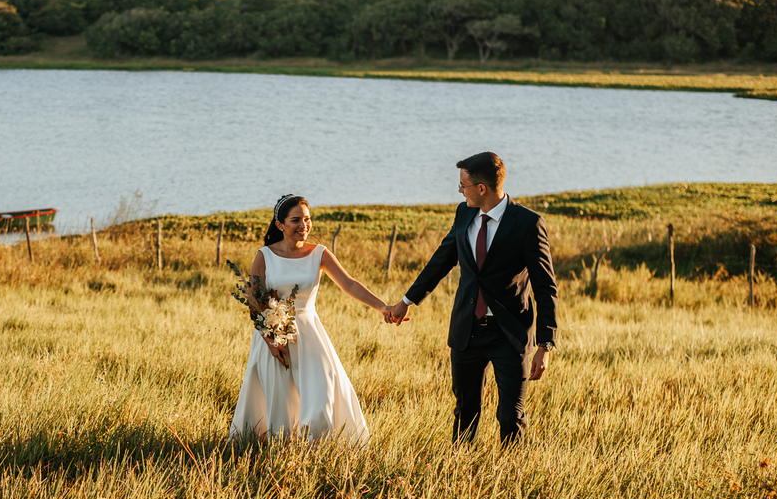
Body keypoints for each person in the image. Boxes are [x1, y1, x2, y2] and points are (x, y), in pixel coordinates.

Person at [387, 152, 558, 444]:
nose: (459, 190)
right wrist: (406, 301)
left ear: (482, 188)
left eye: (462, 185)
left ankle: (511, 476)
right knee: (465, 411)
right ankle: (461, 473)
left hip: (510, 334)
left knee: (510, 416)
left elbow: (545, 286)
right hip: (467, 330)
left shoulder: (528, 223)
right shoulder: (464, 213)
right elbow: (440, 261)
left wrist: (544, 344)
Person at [230, 194, 392, 443]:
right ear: (279, 225)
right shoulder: (264, 255)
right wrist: (270, 340)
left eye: (307, 219)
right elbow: (254, 300)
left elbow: (349, 284)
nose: (303, 225)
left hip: (310, 334)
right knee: (281, 400)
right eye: (296, 220)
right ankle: (279, 448)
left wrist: (382, 307)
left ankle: (318, 448)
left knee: (321, 394)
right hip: (272, 339)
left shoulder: (319, 254)